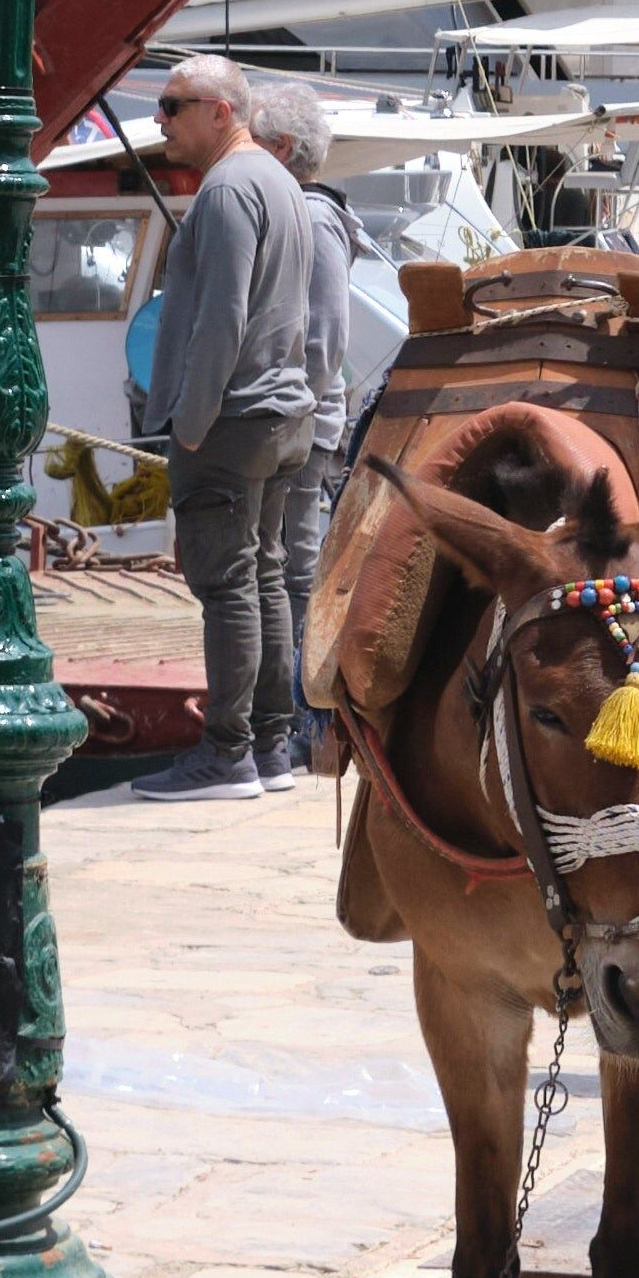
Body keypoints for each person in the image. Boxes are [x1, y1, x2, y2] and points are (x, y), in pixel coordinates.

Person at [128, 56, 318, 806]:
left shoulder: (232, 188)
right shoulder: (277, 182)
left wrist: (194, 421)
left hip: (234, 418)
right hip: (279, 414)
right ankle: (271, 745)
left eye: (172, 105)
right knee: (262, 575)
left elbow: (222, 318)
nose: (160, 120)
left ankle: (227, 751)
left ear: (216, 109)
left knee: (228, 582)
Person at [261, 123, 415, 785]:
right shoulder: (309, 216)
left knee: (298, 575)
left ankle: (305, 727)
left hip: (301, 426)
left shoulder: (316, 221)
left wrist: (294, 407)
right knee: (294, 571)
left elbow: (323, 338)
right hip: (301, 421)